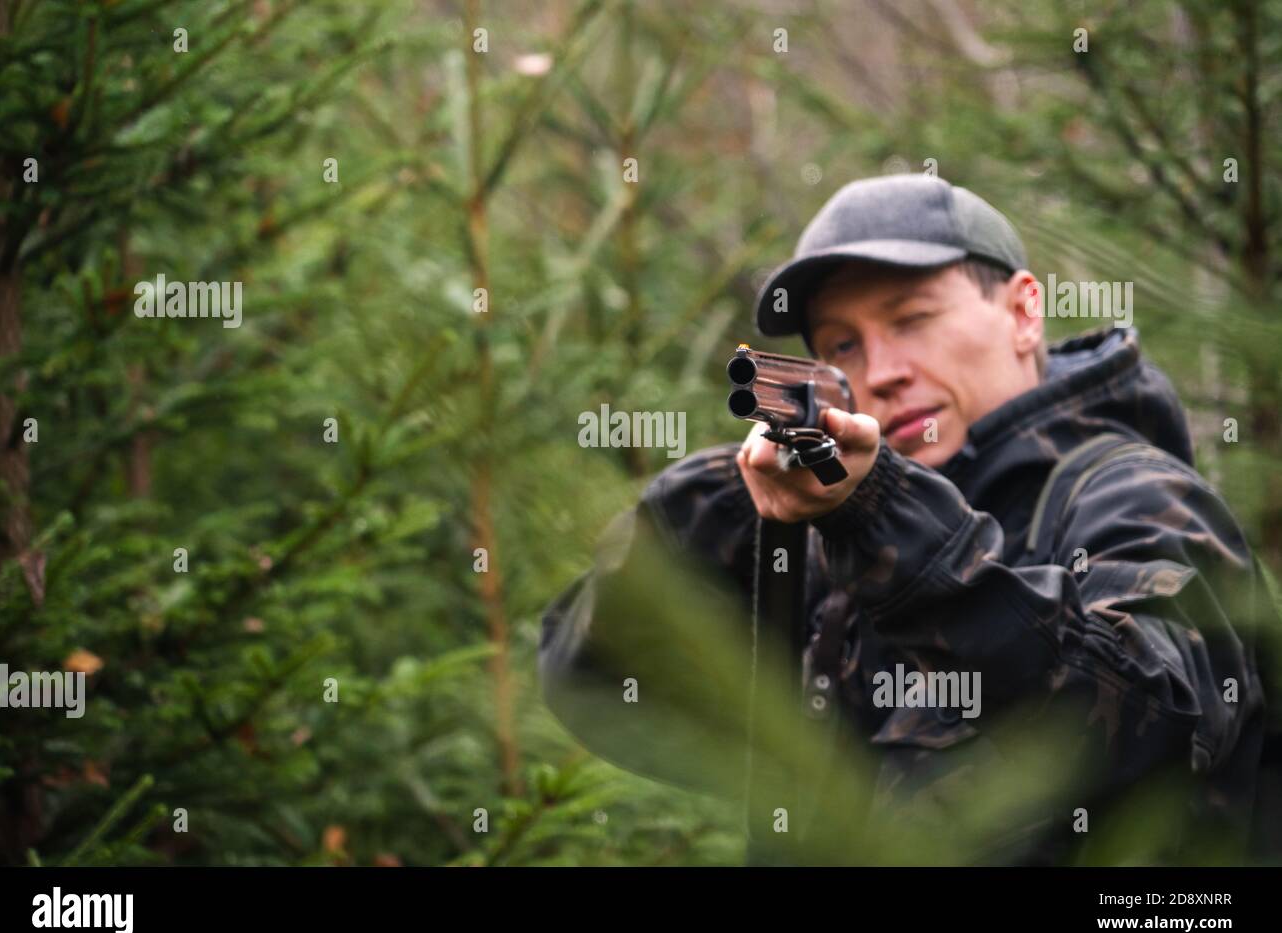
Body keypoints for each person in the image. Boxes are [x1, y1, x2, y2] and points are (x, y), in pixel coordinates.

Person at [538, 174, 1280, 864]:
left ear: (1024, 312)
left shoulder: (1133, 493)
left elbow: (1158, 723)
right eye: (842, 345)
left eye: (913, 319)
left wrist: (891, 521)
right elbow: (599, 690)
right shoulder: (846, 546)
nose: (882, 370)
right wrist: (715, 507)